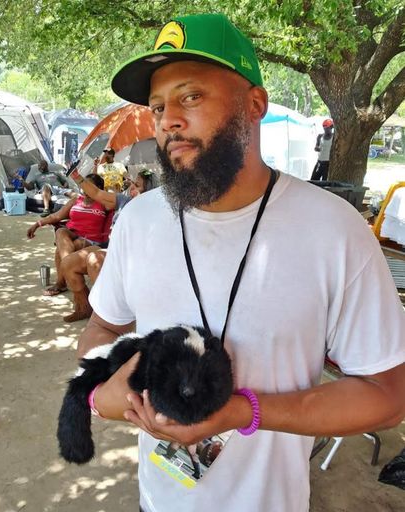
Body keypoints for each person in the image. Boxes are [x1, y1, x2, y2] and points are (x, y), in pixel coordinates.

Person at [77, 13, 405, 512]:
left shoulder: (333, 229)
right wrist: (103, 392)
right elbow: (102, 327)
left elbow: (388, 395)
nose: (168, 121)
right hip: (156, 501)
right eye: (158, 106)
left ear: (255, 105)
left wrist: (242, 412)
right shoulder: (138, 221)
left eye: (191, 96)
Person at [59, 169, 159, 322]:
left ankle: (109, 317)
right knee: (68, 264)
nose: (132, 186)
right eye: (133, 183)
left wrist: (142, 206)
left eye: (138, 185)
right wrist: (76, 176)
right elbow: (96, 193)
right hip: (111, 250)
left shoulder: (153, 210)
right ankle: (84, 307)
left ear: (149, 192)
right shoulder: (123, 200)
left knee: (94, 260)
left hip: (133, 257)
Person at [27, 174, 111, 296]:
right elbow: (56, 216)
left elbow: (117, 202)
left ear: (97, 188)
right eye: (84, 186)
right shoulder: (76, 200)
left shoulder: (104, 203)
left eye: (89, 186)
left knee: (62, 249)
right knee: (60, 232)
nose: (85, 189)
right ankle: (69, 274)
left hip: (91, 239)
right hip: (72, 233)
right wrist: (37, 224)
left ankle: (61, 283)